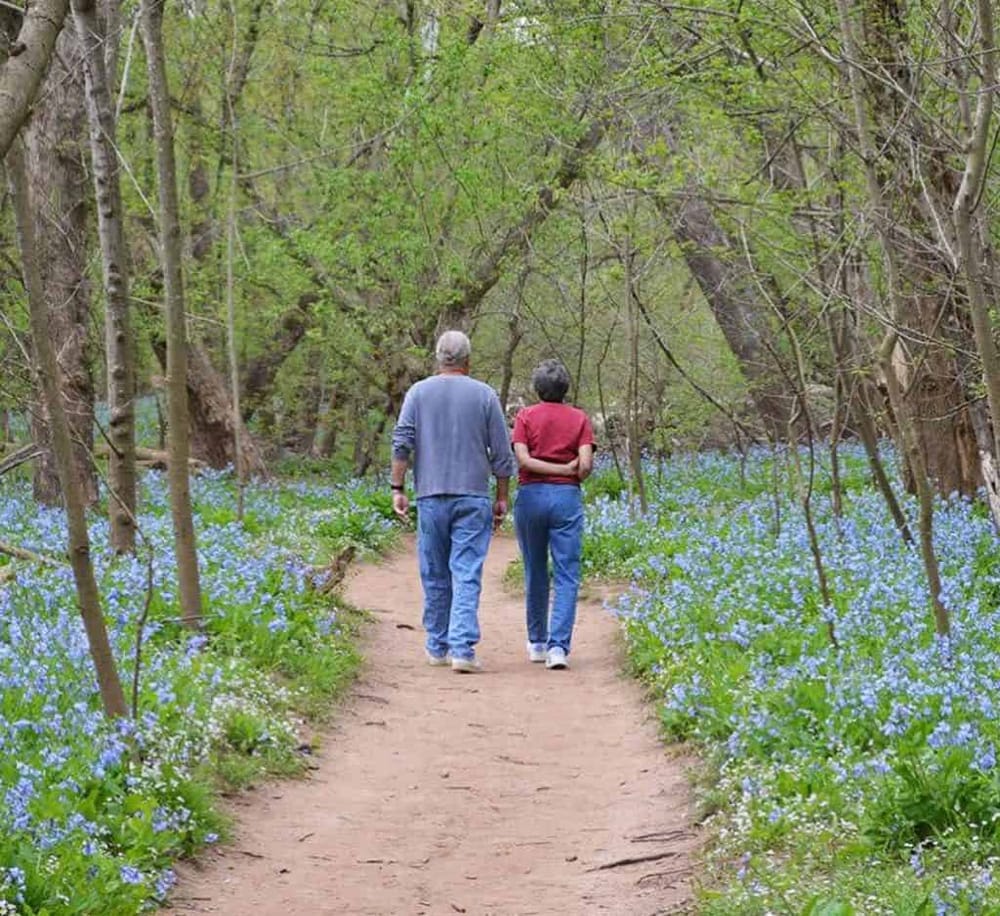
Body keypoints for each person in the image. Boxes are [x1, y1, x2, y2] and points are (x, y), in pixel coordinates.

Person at [390, 330, 516, 673]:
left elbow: (402, 443)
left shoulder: (418, 393)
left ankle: (437, 645)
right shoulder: (485, 396)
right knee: (467, 571)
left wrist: (397, 487)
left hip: (430, 494)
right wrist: (502, 497)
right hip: (473, 495)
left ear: (438, 358)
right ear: (468, 361)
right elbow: (502, 453)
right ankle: (462, 649)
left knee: (433, 572)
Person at [512, 360, 594, 670]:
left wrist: (546, 468)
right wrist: (566, 471)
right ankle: (558, 648)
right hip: (566, 498)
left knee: (535, 569)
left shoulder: (525, 416)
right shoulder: (580, 418)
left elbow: (523, 459)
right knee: (567, 573)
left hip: (531, 497)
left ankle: (537, 643)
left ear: (537, 388)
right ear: (565, 388)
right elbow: (584, 465)